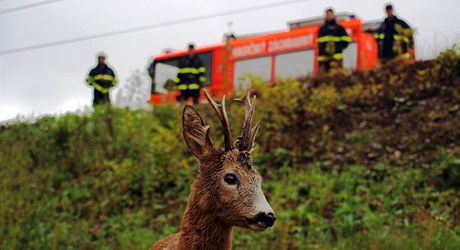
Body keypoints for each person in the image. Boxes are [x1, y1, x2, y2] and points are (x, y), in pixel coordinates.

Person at [317, 8, 351, 73]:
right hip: (325, 59)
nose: (329, 16)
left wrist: (339, 48)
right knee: (325, 77)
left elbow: (346, 40)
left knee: (338, 75)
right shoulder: (322, 29)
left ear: (333, 15)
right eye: (327, 15)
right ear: (325, 16)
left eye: (330, 14)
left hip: (337, 58)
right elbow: (320, 44)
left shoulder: (339, 28)